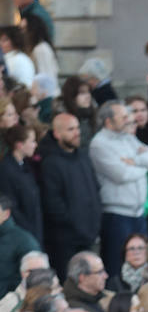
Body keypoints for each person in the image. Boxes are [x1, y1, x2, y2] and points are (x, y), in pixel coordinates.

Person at [88, 101, 148, 276]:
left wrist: (135, 162)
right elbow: (121, 174)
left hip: (138, 212)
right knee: (117, 263)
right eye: (123, 117)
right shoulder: (99, 144)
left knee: (141, 264)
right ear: (108, 122)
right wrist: (144, 167)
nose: (130, 120)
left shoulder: (128, 137)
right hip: (117, 214)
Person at [38, 111, 103, 279]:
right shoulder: (50, 163)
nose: (77, 133)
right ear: (57, 134)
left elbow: (94, 189)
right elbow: (53, 204)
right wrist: (75, 225)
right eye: (70, 129)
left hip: (88, 234)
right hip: (65, 241)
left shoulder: (82, 156)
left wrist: (94, 221)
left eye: (77, 128)